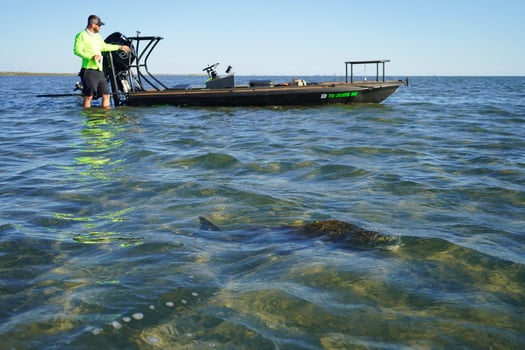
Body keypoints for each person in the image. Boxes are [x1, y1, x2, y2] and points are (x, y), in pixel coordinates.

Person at [73, 15, 130, 108]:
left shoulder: (97, 36)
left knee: (106, 94)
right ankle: (89, 120)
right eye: (99, 25)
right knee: (89, 96)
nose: (100, 27)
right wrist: (91, 57)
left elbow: (104, 47)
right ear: (92, 24)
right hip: (88, 70)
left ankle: (104, 118)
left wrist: (119, 47)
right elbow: (77, 51)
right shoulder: (81, 35)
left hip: (99, 71)